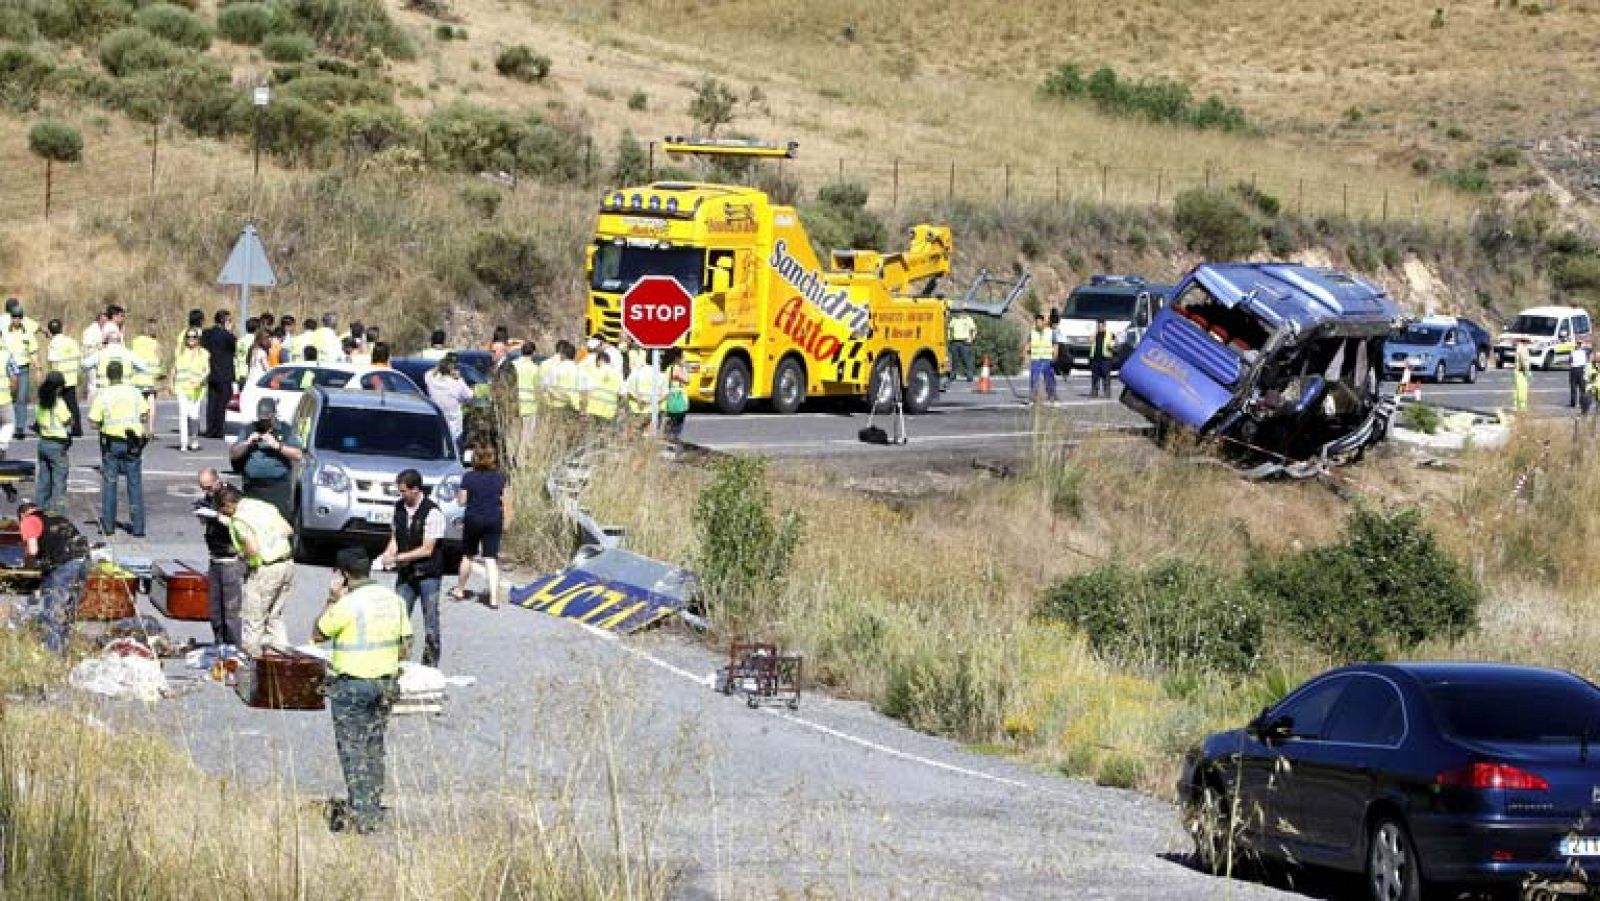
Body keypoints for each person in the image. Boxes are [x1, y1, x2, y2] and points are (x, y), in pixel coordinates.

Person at [312, 547, 410, 835]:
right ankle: (373, 804)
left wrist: (332, 598)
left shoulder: (346, 604)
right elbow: (405, 646)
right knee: (374, 745)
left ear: (342, 575)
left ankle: (362, 813)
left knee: (353, 749)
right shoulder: (394, 600)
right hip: (385, 683)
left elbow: (318, 634)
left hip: (352, 684)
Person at [216, 484, 295, 656]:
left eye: (222, 509)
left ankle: (252, 662)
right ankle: (282, 659)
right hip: (287, 563)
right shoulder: (262, 506)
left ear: (228, 505)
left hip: (266, 569)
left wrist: (242, 557)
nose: (223, 514)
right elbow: (288, 529)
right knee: (274, 616)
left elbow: (252, 548)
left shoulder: (239, 521)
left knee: (254, 617)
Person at [380, 468, 444, 667]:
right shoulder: (399, 508)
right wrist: (388, 553)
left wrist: (399, 557)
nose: (402, 495)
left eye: (404, 491)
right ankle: (396, 662)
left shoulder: (433, 512)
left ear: (416, 489)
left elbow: (427, 549)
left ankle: (430, 665)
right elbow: (395, 538)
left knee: (430, 621)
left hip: (428, 574)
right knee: (398, 618)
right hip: (406, 574)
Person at [18, 501, 90, 653]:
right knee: (69, 609)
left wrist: (28, 568)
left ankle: (52, 654)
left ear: (22, 515)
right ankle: (65, 648)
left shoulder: (28, 519)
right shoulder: (56, 517)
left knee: (54, 611)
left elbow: (32, 550)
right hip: (83, 559)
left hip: (65, 564)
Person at [88, 360, 147, 537]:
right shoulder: (135, 392)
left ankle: (108, 526)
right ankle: (138, 527)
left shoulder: (104, 395)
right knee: (134, 485)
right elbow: (144, 415)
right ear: (122, 374)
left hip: (112, 443)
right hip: (133, 443)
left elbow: (93, 422)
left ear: (108, 375)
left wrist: (105, 426)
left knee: (110, 483)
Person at [452, 444, 508, 608]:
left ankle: (460, 589)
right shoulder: (500, 478)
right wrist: (507, 521)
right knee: (490, 559)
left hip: (473, 519)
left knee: (468, 555)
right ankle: (494, 598)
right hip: (493, 519)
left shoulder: (469, 477)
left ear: (474, 458)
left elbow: (461, 501)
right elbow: (506, 501)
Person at [229, 397, 303, 520]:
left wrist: (277, 446)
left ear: (274, 416)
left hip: (277, 487)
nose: (263, 423)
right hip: (253, 487)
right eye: (261, 420)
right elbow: (234, 454)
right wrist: (247, 443)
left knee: (277, 523)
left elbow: (298, 454)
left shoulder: (285, 430)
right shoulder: (249, 429)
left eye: (267, 420)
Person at [195, 468, 244, 648]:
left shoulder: (232, 496)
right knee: (215, 611)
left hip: (231, 559)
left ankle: (234, 649)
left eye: (208, 487)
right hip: (215, 558)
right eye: (203, 488)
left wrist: (217, 516)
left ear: (217, 481)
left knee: (231, 612)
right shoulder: (210, 497)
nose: (206, 492)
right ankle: (220, 645)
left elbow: (239, 524)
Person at [33, 371, 71, 515]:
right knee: (59, 482)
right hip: (57, 444)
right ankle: (58, 514)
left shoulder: (40, 403)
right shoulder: (58, 402)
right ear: (59, 388)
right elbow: (67, 419)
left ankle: (39, 512)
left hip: (43, 443)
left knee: (43, 480)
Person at [424, 354, 474, 446]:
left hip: (437, 429)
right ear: (452, 369)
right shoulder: (457, 383)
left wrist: (438, 367)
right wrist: (459, 378)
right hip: (454, 431)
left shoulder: (431, 380)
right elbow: (470, 396)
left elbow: (428, 374)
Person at [44, 319, 82, 436]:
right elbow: (78, 357)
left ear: (49, 332)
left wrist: (52, 379)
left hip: (59, 379)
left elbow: (54, 362)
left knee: (49, 401)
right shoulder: (71, 341)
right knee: (72, 404)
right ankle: (77, 428)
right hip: (71, 377)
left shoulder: (54, 344)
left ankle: (42, 425)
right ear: (62, 328)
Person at [202, 309, 237, 439]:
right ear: (224, 321)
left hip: (211, 371)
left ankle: (210, 429)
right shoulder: (227, 336)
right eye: (229, 320)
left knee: (212, 402)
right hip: (225, 373)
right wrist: (229, 331)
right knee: (222, 402)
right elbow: (233, 347)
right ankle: (219, 429)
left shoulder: (207, 333)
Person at [173, 328, 209, 452]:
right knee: (183, 415)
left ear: (198, 339)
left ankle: (194, 439)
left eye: (194, 337)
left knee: (194, 416)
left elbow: (207, 370)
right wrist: (171, 383)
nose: (191, 339)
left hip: (197, 389)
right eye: (188, 337)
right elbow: (174, 369)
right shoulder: (180, 352)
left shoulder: (204, 353)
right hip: (182, 388)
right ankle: (183, 442)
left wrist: (201, 380)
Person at [5, 311, 38, 435]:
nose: (17, 319)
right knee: (6, 399)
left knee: (21, 398)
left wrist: (38, 367)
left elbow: (33, 352)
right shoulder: (5, 334)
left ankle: (20, 428)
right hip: (7, 370)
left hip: (23, 368)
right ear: (11, 318)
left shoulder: (27, 334)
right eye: (14, 317)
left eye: (19, 317)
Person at [129, 319, 164, 436]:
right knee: (151, 402)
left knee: (139, 404)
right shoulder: (156, 344)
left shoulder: (135, 341)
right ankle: (151, 429)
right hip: (150, 377)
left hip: (137, 377)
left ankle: (141, 429)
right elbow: (159, 360)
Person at [622, 347, 668, 433]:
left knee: (634, 437)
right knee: (648, 437)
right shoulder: (661, 375)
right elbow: (665, 394)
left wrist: (639, 400)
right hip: (652, 413)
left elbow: (626, 391)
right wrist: (653, 402)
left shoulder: (636, 372)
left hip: (636, 411)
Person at [585, 344, 625, 426]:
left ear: (599, 361)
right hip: (609, 411)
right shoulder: (618, 375)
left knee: (594, 432)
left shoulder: (594, 373)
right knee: (605, 432)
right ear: (609, 361)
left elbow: (587, 390)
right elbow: (623, 394)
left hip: (594, 409)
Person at [1025, 313, 1057, 403]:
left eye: (1039, 322)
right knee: (1034, 378)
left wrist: (1055, 357)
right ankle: (1033, 397)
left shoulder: (1050, 332)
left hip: (1047, 359)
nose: (1038, 324)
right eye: (1036, 322)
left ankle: (1051, 395)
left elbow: (1055, 345)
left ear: (1043, 322)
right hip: (1036, 359)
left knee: (1049, 379)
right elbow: (1027, 345)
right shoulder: (1032, 332)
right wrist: (1025, 354)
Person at [662, 348, 690, 449]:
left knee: (670, 420)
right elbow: (687, 380)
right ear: (678, 358)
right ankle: (674, 440)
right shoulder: (677, 369)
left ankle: (669, 438)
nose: (684, 359)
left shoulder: (668, 368)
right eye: (683, 357)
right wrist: (684, 368)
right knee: (678, 422)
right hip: (678, 398)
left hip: (669, 397)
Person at [80, 311, 106, 402]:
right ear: (98, 319)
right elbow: (87, 347)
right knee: (93, 384)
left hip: (101, 360)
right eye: (103, 319)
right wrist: (100, 346)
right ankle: (91, 404)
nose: (104, 322)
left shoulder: (102, 330)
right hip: (92, 361)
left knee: (100, 384)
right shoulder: (90, 331)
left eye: (106, 320)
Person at [947, 305, 977, 382]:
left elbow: (973, 330)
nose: (959, 313)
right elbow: (950, 329)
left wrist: (971, 339)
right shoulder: (954, 319)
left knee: (966, 360)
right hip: (955, 342)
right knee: (954, 360)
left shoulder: (968, 319)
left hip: (965, 342)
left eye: (961, 311)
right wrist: (949, 338)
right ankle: (953, 375)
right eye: (958, 311)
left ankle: (969, 376)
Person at [1088, 319, 1116, 399]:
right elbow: (1090, 341)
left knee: (1106, 377)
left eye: (1101, 325)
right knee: (1095, 377)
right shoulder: (1094, 334)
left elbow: (1115, 343)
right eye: (1098, 326)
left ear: (1104, 326)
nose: (1100, 327)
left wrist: (1112, 346)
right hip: (1095, 358)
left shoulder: (1110, 334)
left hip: (1105, 359)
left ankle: (1107, 393)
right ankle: (1094, 392)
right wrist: (1092, 336)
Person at [1513, 340, 1532, 414]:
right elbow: (1524, 360)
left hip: (1517, 372)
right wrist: (1527, 371)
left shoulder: (1518, 348)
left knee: (1517, 391)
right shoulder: (1523, 349)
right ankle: (1522, 408)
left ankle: (1516, 407)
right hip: (1522, 372)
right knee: (1522, 390)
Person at [1571, 340, 1590, 409]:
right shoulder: (1584, 352)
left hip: (1574, 369)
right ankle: (1582, 402)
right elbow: (1587, 361)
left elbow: (1570, 361)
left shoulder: (1573, 352)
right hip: (1581, 369)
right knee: (1582, 387)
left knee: (1573, 387)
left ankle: (1574, 403)